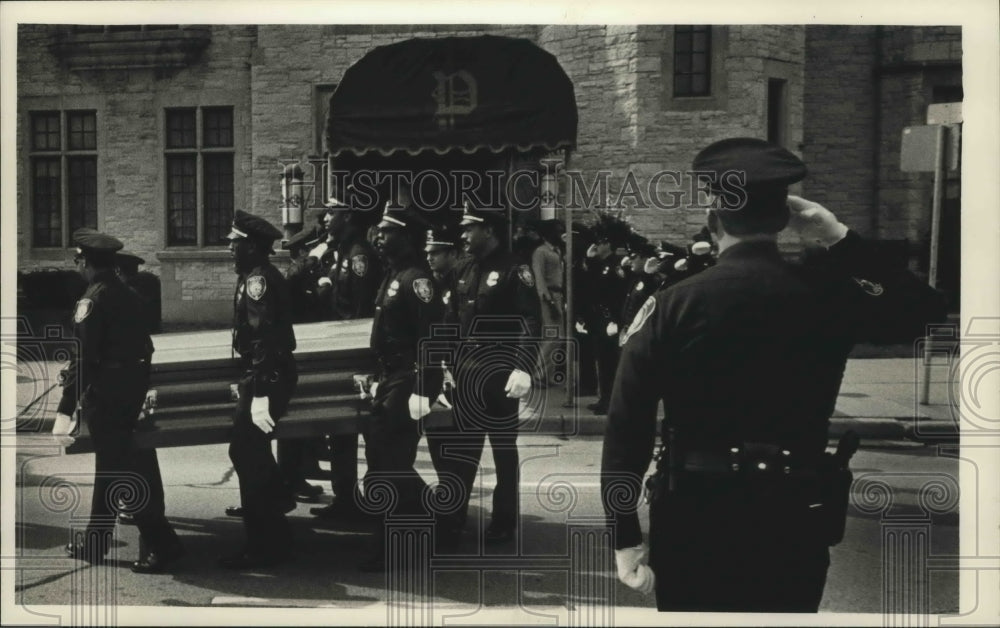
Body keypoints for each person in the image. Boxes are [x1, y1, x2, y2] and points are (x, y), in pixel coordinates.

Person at [601, 138, 947, 612]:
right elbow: (923, 313)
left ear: (712, 219)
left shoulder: (673, 304)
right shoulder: (827, 298)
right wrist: (838, 236)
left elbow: (628, 424)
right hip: (793, 512)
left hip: (694, 515)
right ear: (786, 219)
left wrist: (624, 535)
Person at [55, 229, 183, 574]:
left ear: (85, 262)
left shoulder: (92, 300)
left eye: (79, 260)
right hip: (130, 389)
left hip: (108, 395)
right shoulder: (129, 293)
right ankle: (96, 542)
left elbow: (84, 358)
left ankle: (163, 543)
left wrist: (65, 408)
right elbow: (146, 347)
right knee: (113, 469)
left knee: (121, 470)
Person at [437, 205, 541, 545]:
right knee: (461, 449)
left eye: (469, 228)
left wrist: (524, 366)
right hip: (466, 371)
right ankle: (453, 519)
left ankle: (504, 520)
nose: (463, 235)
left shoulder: (515, 269)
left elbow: (530, 319)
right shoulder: (463, 268)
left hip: (500, 371)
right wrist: (444, 364)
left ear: (490, 231)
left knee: (502, 450)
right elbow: (451, 319)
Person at [358, 205, 446, 570]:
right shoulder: (393, 275)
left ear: (406, 236)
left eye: (386, 231)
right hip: (390, 380)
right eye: (378, 231)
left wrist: (425, 389)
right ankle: (436, 521)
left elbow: (434, 337)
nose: (378, 236)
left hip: (408, 382)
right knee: (384, 464)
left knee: (387, 469)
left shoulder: (416, 280)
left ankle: (393, 548)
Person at [221, 210, 299, 569]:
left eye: (235, 243)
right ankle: (276, 519)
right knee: (248, 453)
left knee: (246, 453)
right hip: (263, 375)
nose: (231, 248)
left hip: (266, 378)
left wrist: (261, 394)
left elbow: (265, 338)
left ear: (251, 246)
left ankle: (263, 544)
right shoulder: (254, 276)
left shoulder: (259, 281)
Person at [310, 208, 383, 522]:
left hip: (354, 355)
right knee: (339, 430)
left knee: (364, 430)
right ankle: (345, 498)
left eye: (333, 214)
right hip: (337, 350)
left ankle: (376, 499)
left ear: (349, 217)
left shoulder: (358, 256)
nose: (326, 219)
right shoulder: (340, 253)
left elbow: (361, 311)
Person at [582, 214, 629, 414]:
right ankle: (604, 398)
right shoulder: (601, 264)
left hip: (609, 319)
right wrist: (589, 261)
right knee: (601, 360)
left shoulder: (615, 265)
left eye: (600, 243)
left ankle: (610, 400)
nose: (597, 246)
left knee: (609, 362)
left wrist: (615, 321)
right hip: (598, 318)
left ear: (608, 245)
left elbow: (616, 295)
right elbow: (590, 286)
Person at [530, 219, 566, 387]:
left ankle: (548, 375)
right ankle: (538, 374)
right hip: (549, 296)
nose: (560, 234)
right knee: (551, 336)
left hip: (558, 295)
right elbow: (539, 277)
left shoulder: (558, 251)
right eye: (557, 231)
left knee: (558, 338)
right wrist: (548, 300)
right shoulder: (540, 252)